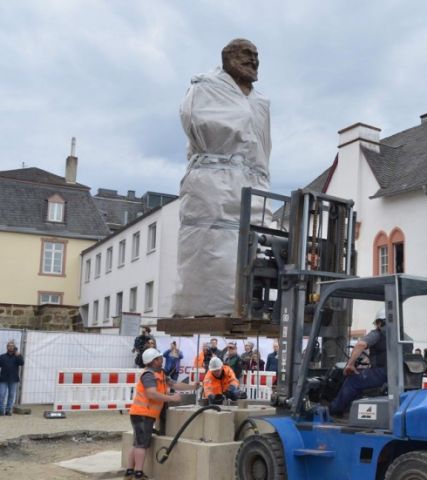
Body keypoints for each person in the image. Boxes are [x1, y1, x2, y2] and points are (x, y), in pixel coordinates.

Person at [174, 38, 272, 317]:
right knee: (215, 243)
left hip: (251, 183)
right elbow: (198, 120)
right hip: (214, 182)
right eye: (246, 54)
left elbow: (263, 145)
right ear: (227, 58)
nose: (254, 60)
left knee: (253, 244)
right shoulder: (207, 87)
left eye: (256, 55)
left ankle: (247, 302)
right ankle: (210, 305)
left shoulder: (260, 102)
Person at [126, 348, 198, 479]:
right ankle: (138, 474)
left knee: (137, 443)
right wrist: (172, 399)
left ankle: (129, 472)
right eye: (159, 358)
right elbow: (151, 393)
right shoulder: (148, 375)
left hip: (144, 414)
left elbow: (175, 385)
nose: (162, 359)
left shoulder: (161, 374)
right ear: (154, 361)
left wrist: (192, 387)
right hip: (142, 414)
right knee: (142, 444)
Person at [330, 309, 387, 416]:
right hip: (395, 374)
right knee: (362, 378)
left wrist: (350, 364)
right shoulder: (402, 336)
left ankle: (335, 410)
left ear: (380, 322)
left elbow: (360, 345)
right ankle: (352, 411)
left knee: (353, 380)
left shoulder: (378, 334)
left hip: (383, 373)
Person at [0, 340, 24, 416]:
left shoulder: (17, 357)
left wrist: (19, 355)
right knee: (1, 394)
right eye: (9, 346)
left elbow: (22, 363)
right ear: (7, 347)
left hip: (13, 379)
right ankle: (1, 410)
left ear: (14, 347)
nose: (11, 347)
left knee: (11, 395)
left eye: (12, 346)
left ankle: (8, 410)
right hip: (3, 379)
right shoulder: (2, 356)